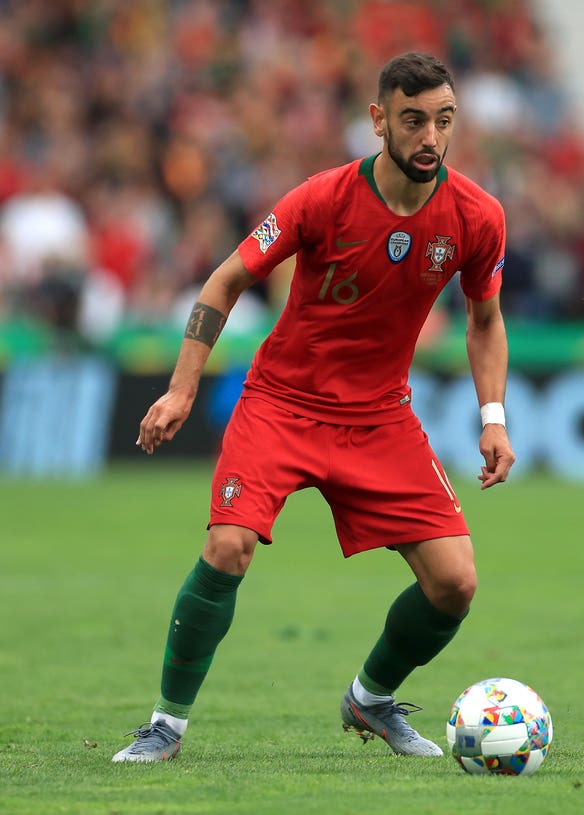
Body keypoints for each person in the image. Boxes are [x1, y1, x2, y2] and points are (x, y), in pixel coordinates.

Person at [112, 52, 515, 763]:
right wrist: (182, 386)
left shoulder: (477, 217)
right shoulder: (322, 199)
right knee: (227, 545)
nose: (430, 136)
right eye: (414, 119)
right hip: (281, 403)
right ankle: (165, 726)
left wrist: (493, 417)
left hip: (380, 416)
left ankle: (370, 698)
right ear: (378, 119)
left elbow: (485, 319)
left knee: (455, 582)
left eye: (444, 121)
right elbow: (226, 279)